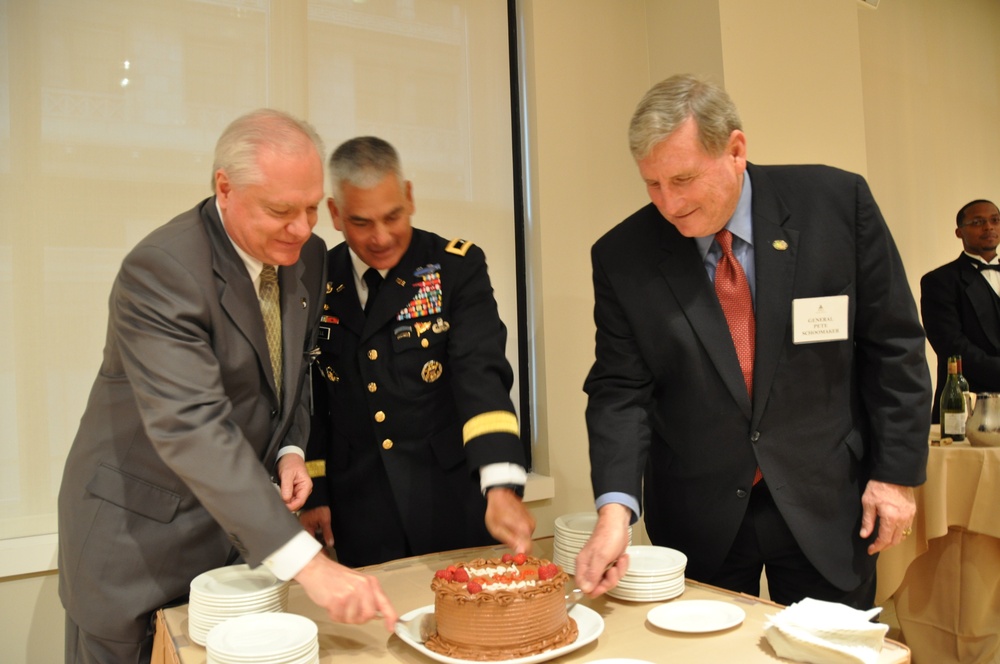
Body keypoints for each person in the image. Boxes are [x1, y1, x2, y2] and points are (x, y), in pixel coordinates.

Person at [575, 74, 931, 610]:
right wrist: (615, 510)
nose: (668, 204)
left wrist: (895, 475)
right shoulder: (623, 255)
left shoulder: (835, 204)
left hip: (828, 499)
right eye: (652, 184)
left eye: (683, 179)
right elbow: (620, 392)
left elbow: (894, 345)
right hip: (701, 512)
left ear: (735, 150)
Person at [58, 110, 397, 664]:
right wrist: (309, 566)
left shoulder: (307, 257)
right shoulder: (161, 271)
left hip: (235, 556)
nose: (303, 228)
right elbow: (192, 427)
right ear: (225, 187)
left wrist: (291, 448)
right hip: (137, 548)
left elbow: (294, 371)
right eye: (280, 210)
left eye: (312, 207)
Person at [298, 136, 535, 567]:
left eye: (393, 216)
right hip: (359, 507)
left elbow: (479, 377)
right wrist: (315, 490)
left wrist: (500, 485)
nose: (381, 236)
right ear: (334, 214)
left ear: (409, 197)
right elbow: (312, 396)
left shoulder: (455, 268)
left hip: (449, 498)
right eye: (362, 222)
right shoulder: (315, 278)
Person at [920, 199, 1000, 422]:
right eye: (978, 222)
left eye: (995, 220)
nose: (989, 227)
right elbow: (951, 345)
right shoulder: (939, 281)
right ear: (959, 232)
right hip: (968, 405)